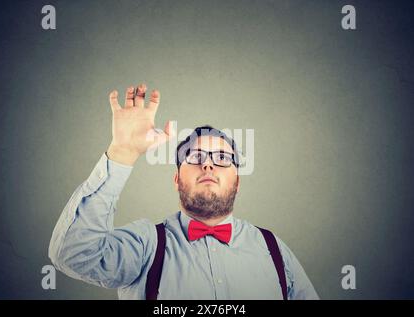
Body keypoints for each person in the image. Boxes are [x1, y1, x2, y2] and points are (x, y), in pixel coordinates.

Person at [49, 83, 319, 300]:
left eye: (222, 158)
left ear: (238, 180)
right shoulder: (146, 244)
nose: (209, 163)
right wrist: (123, 152)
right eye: (196, 156)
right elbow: (73, 254)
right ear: (177, 179)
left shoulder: (273, 249)